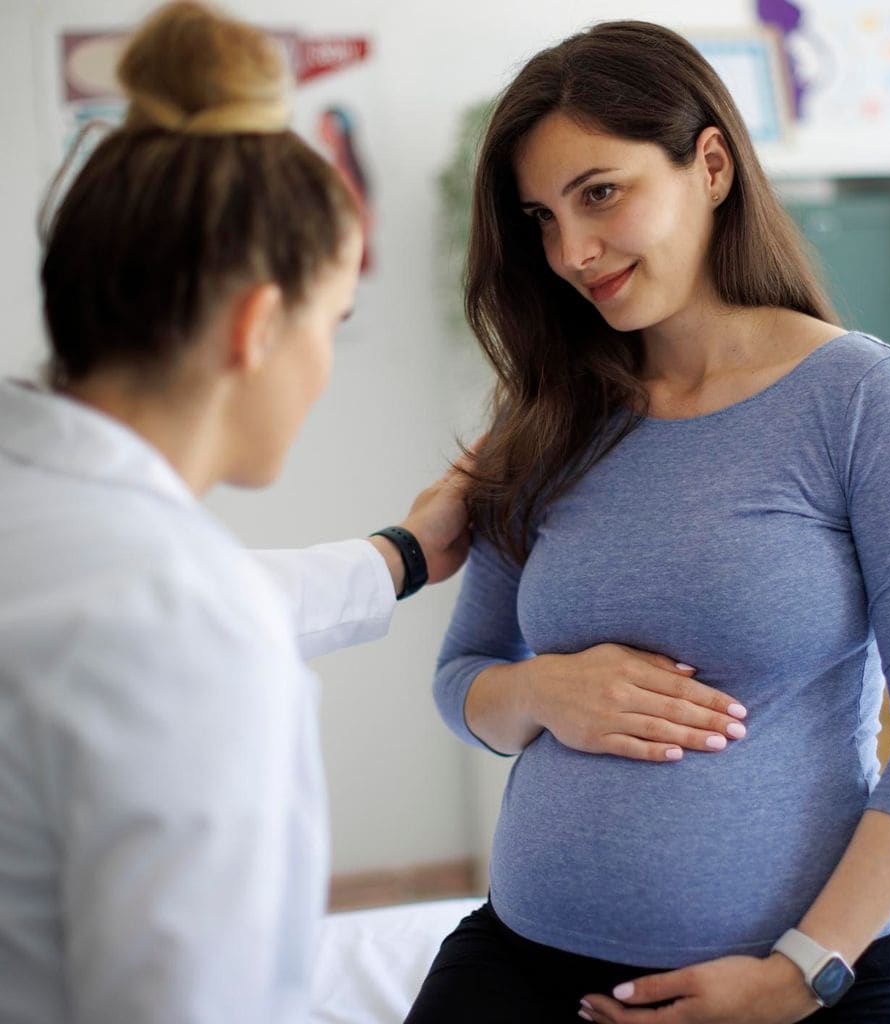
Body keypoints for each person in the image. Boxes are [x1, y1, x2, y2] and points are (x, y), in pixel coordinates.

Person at [407, 20, 890, 1024]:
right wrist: (547, 689)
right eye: (541, 218)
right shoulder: (547, 413)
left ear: (710, 163)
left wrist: (800, 970)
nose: (571, 250)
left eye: (600, 193)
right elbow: (464, 682)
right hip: (528, 961)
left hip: (808, 970)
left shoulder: (856, 396)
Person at [0, 3, 470, 1022]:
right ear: (259, 325)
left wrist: (403, 554)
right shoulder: (187, 626)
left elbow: (129, 611)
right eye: (331, 322)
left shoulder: (54, 522)